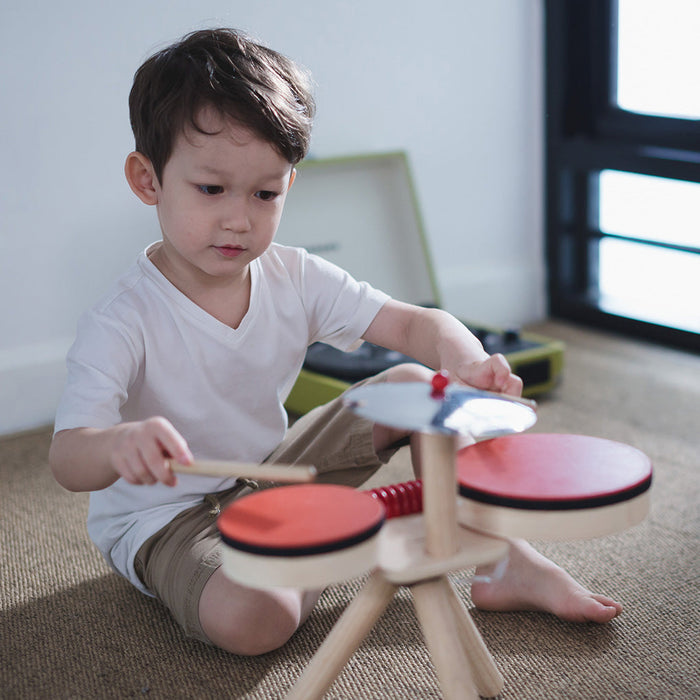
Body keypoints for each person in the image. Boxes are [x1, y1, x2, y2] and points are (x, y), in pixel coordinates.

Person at [49, 28, 622, 657]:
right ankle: (362, 539)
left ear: (288, 185)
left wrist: (466, 361)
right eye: (211, 190)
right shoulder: (122, 318)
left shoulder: (295, 275)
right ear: (147, 179)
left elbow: (412, 325)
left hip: (271, 480)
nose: (240, 218)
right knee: (253, 622)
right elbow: (68, 459)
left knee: (414, 386)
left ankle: (505, 559)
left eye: (264, 194)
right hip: (167, 521)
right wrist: (120, 444)